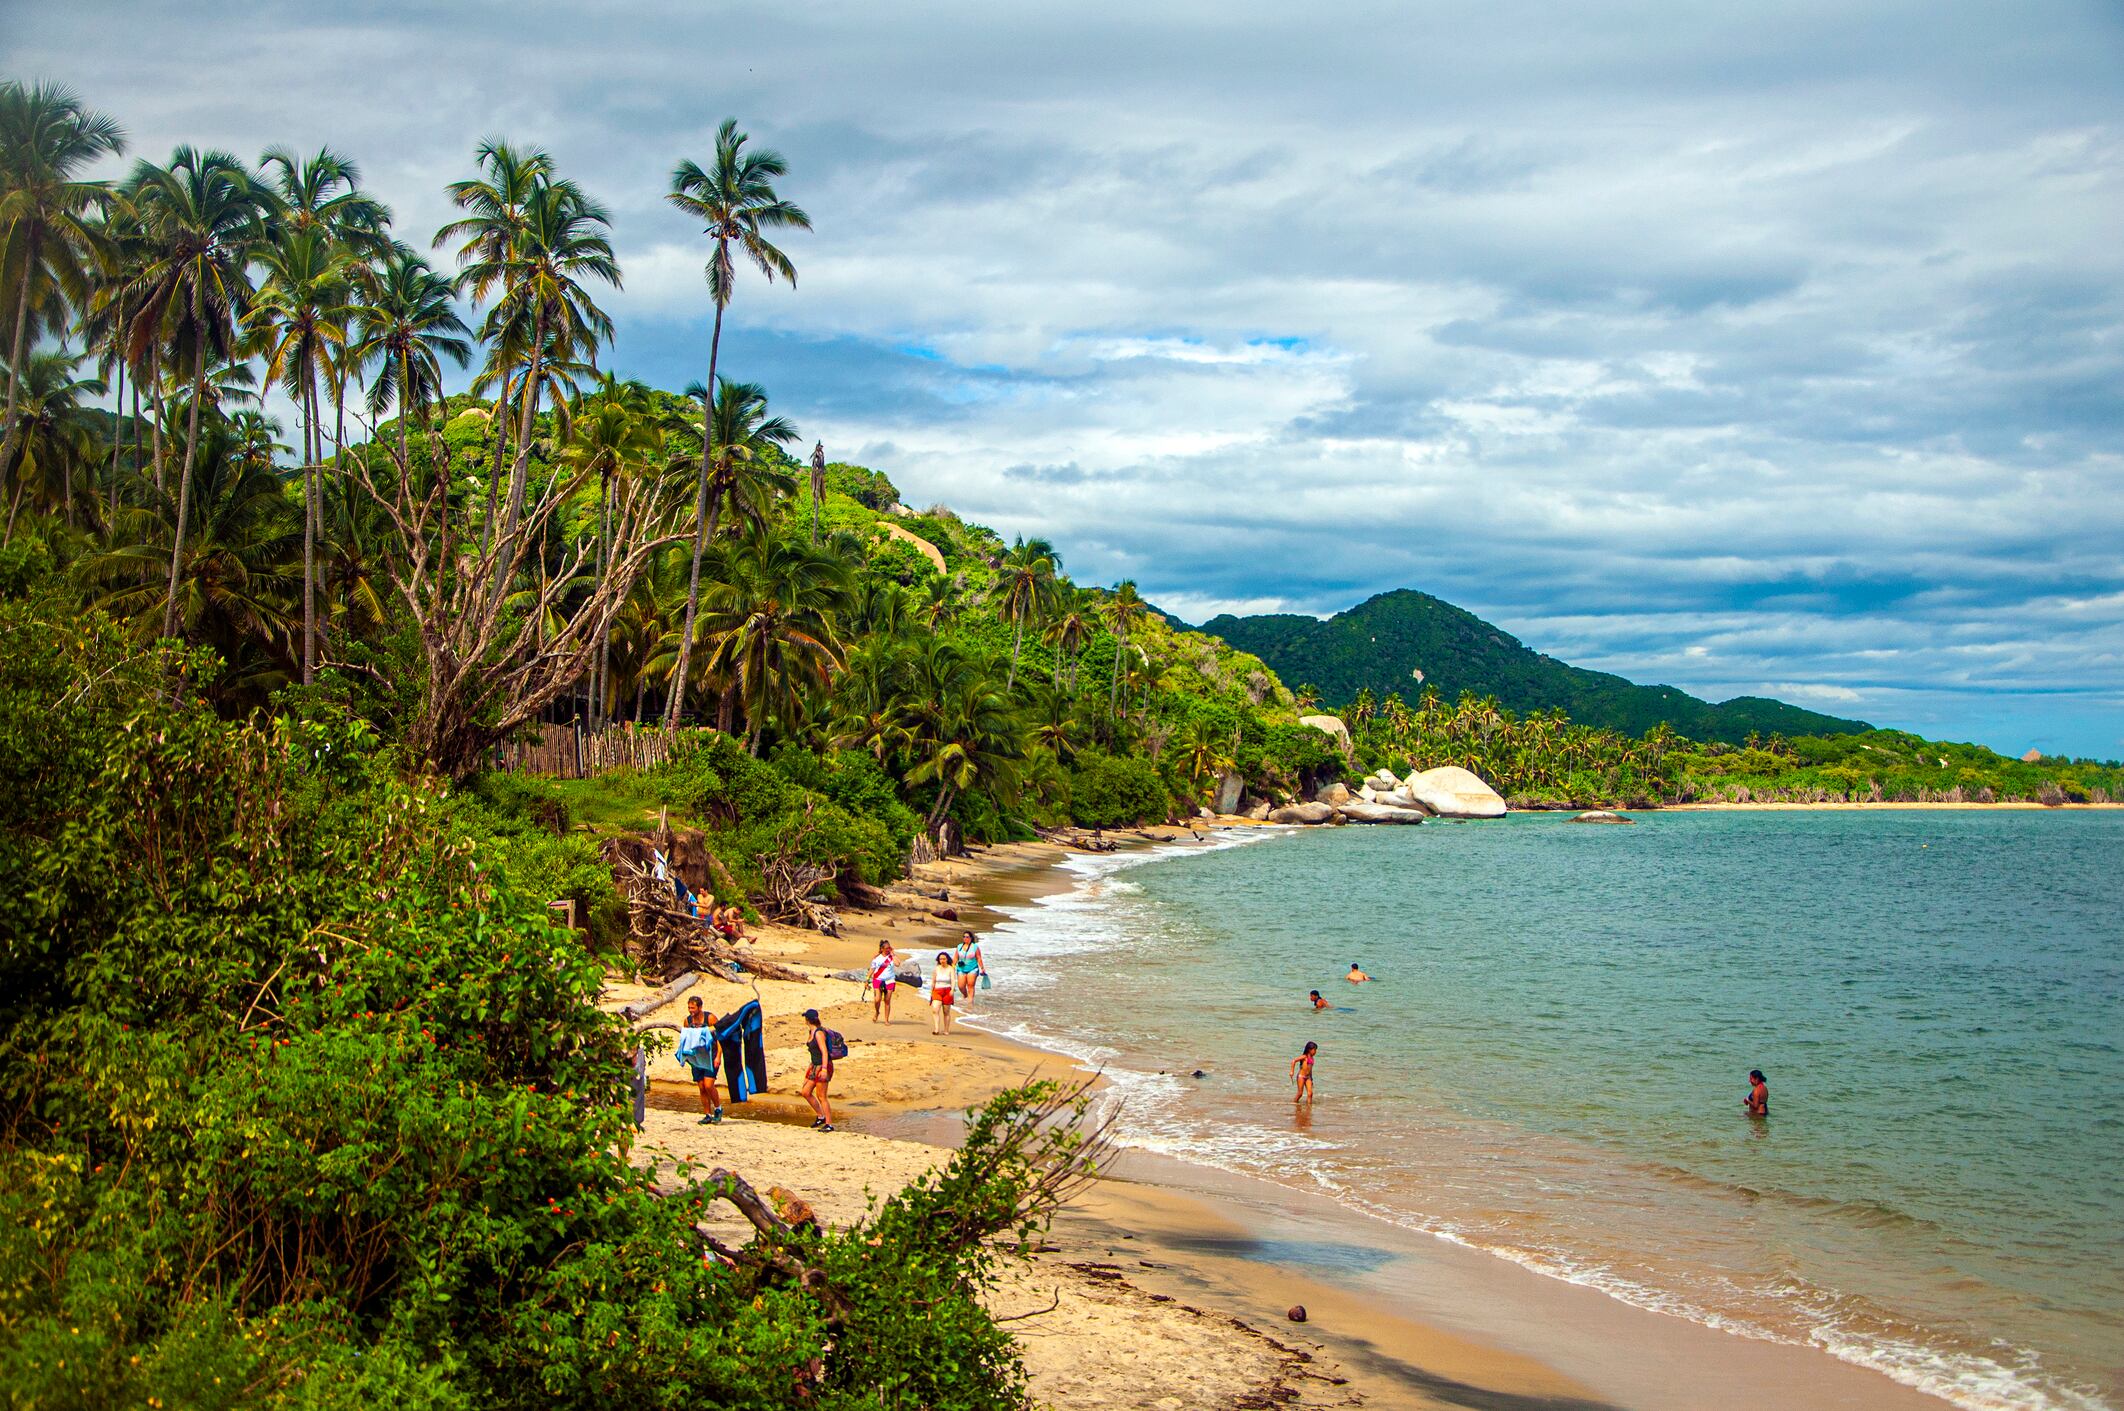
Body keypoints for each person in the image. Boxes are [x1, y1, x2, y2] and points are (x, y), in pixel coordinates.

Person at [679, 995, 722, 1124]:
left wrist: (719, 1055)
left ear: (700, 1007)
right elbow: (686, 1039)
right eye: (689, 1008)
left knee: (709, 1085)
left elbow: (721, 1037)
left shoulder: (710, 1018)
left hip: (711, 1055)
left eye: (693, 1008)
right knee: (702, 1087)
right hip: (696, 1057)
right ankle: (707, 1114)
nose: (691, 1010)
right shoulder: (687, 1021)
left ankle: (718, 1108)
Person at [801, 1008, 834, 1131]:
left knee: (821, 1096)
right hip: (814, 1066)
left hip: (823, 1066)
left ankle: (829, 1124)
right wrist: (808, 1071)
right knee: (805, 1092)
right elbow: (813, 1054)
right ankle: (821, 1116)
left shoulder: (819, 1033)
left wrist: (824, 1069)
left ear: (808, 1020)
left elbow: (824, 1052)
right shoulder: (811, 1032)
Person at [868, 940, 900, 1024]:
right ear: (882, 949)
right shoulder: (877, 958)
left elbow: (897, 964)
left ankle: (886, 1020)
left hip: (889, 980)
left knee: (887, 1000)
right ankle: (877, 1012)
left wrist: (893, 954)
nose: (888, 949)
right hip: (878, 979)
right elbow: (872, 969)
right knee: (877, 999)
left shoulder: (891, 957)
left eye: (889, 948)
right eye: (886, 948)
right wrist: (867, 979)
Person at [929, 950, 958, 1036]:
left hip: (947, 991)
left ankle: (946, 1030)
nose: (942, 960)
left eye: (944, 959)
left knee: (946, 1012)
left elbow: (953, 980)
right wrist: (931, 991)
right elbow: (933, 981)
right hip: (937, 990)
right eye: (940, 959)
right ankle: (936, 1029)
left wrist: (952, 990)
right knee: (935, 1009)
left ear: (947, 959)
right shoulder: (936, 969)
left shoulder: (951, 969)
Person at [954, 931, 987, 1003]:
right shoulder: (959, 946)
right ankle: (965, 995)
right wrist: (952, 966)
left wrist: (982, 968)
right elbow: (956, 957)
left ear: (971, 938)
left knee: (970, 985)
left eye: (967, 937)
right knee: (961, 986)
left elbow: (979, 958)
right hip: (961, 968)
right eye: (964, 937)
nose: (965, 938)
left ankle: (970, 1003)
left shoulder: (975, 947)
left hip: (972, 968)